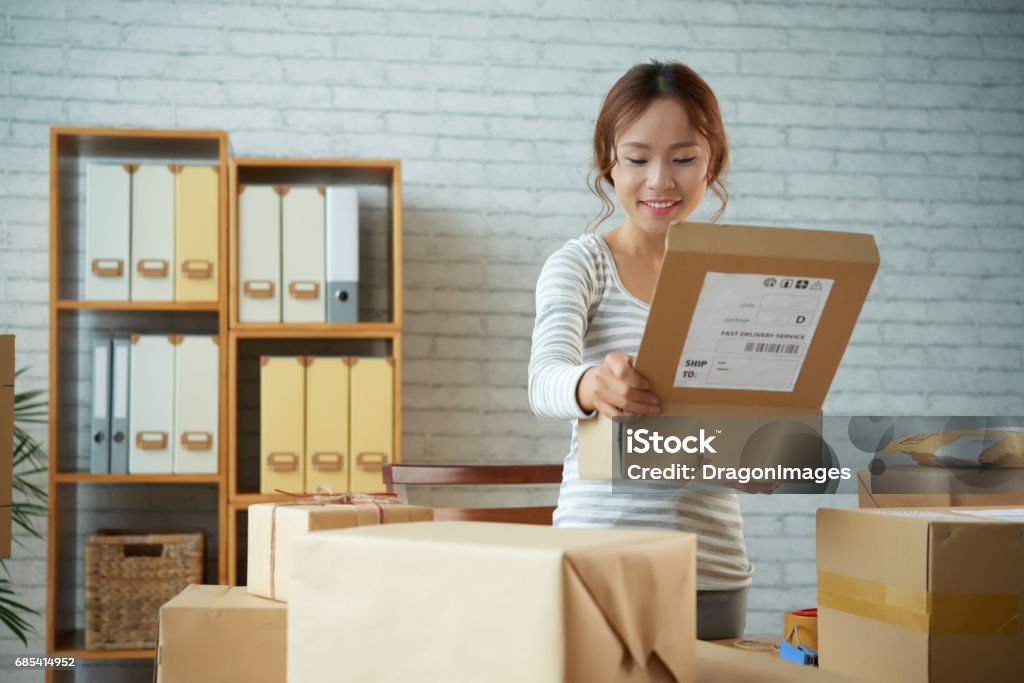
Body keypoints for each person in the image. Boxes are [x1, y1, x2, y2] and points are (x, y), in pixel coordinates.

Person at [528, 60, 752, 640]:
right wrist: (590, 385)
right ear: (610, 163)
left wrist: (767, 446)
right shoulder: (581, 265)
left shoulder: (735, 272)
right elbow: (544, 379)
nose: (660, 181)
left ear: (713, 164)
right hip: (601, 555)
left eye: (683, 159)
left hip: (713, 563)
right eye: (637, 159)